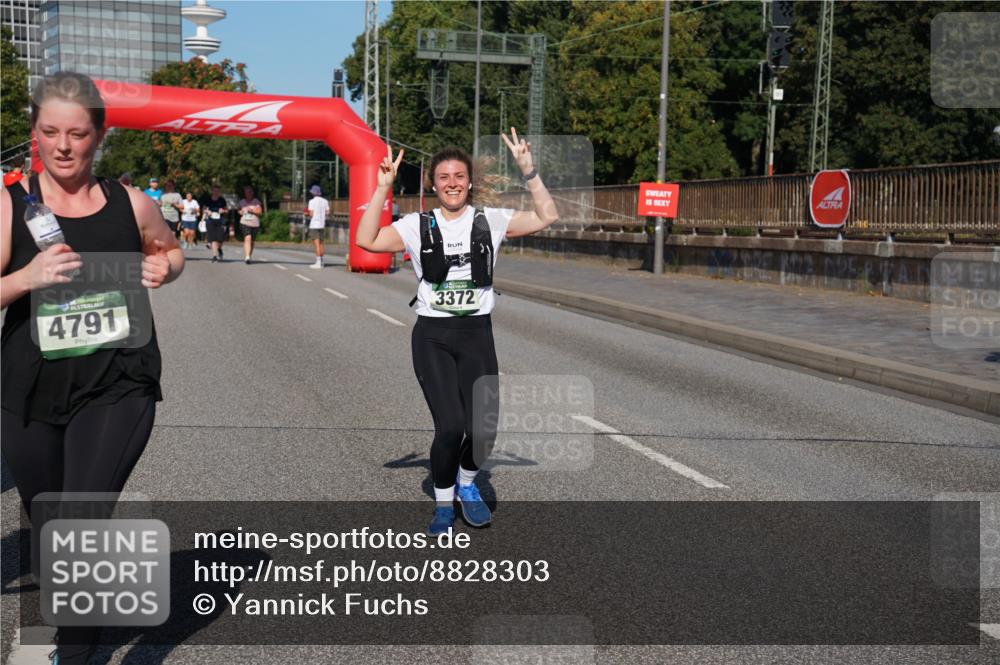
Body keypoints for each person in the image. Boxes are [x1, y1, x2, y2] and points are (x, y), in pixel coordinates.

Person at [1, 71, 184, 664]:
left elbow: (169, 249)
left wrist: (167, 269)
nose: (62, 146)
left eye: (76, 134)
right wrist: (26, 278)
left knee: (82, 518)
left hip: (118, 381)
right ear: (34, 132)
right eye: (49, 131)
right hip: (28, 390)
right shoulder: (10, 207)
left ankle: (74, 654)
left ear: (97, 136)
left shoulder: (132, 204)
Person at [356, 128, 559, 535]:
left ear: (469, 182)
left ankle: (467, 484)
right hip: (432, 336)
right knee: (450, 426)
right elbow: (367, 240)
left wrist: (529, 171)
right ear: (434, 184)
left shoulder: (491, 221)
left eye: (459, 177)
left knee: (484, 430)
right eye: (444, 177)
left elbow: (547, 216)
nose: (452, 184)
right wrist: (381, 189)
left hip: (476, 335)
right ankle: (444, 505)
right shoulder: (417, 225)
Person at [203, 184, 229, 262]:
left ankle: (219, 249)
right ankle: (214, 256)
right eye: (214, 191)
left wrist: (223, 211)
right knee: (213, 238)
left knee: (220, 239)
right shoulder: (208, 199)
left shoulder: (222, 200)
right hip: (210, 221)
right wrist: (207, 211)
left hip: (220, 221)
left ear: (219, 192)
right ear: (212, 191)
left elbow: (227, 210)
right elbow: (204, 209)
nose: (216, 192)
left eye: (217, 191)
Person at [305, 184, 329, 269]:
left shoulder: (311, 202)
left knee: (316, 244)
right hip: (322, 224)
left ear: (313, 193)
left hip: (314, 224)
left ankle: (318, 263)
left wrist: (306, 213)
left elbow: (311, 214)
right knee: (321, 243)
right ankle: (322, 261)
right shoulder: (325, 201)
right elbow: (327, 212)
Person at [238, 186, 262, 264]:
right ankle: (247, 257)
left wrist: (252, 211)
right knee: (248, 237)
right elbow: (239, 211)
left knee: (252, 241)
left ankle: (249, 255)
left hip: (255, 224)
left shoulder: (256, 202)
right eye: (246, 192)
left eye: (249, 192)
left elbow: (260, 212)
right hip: (244, 222)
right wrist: (240, 212)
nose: (248, 194)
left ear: (252, 193)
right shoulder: (242, 202)